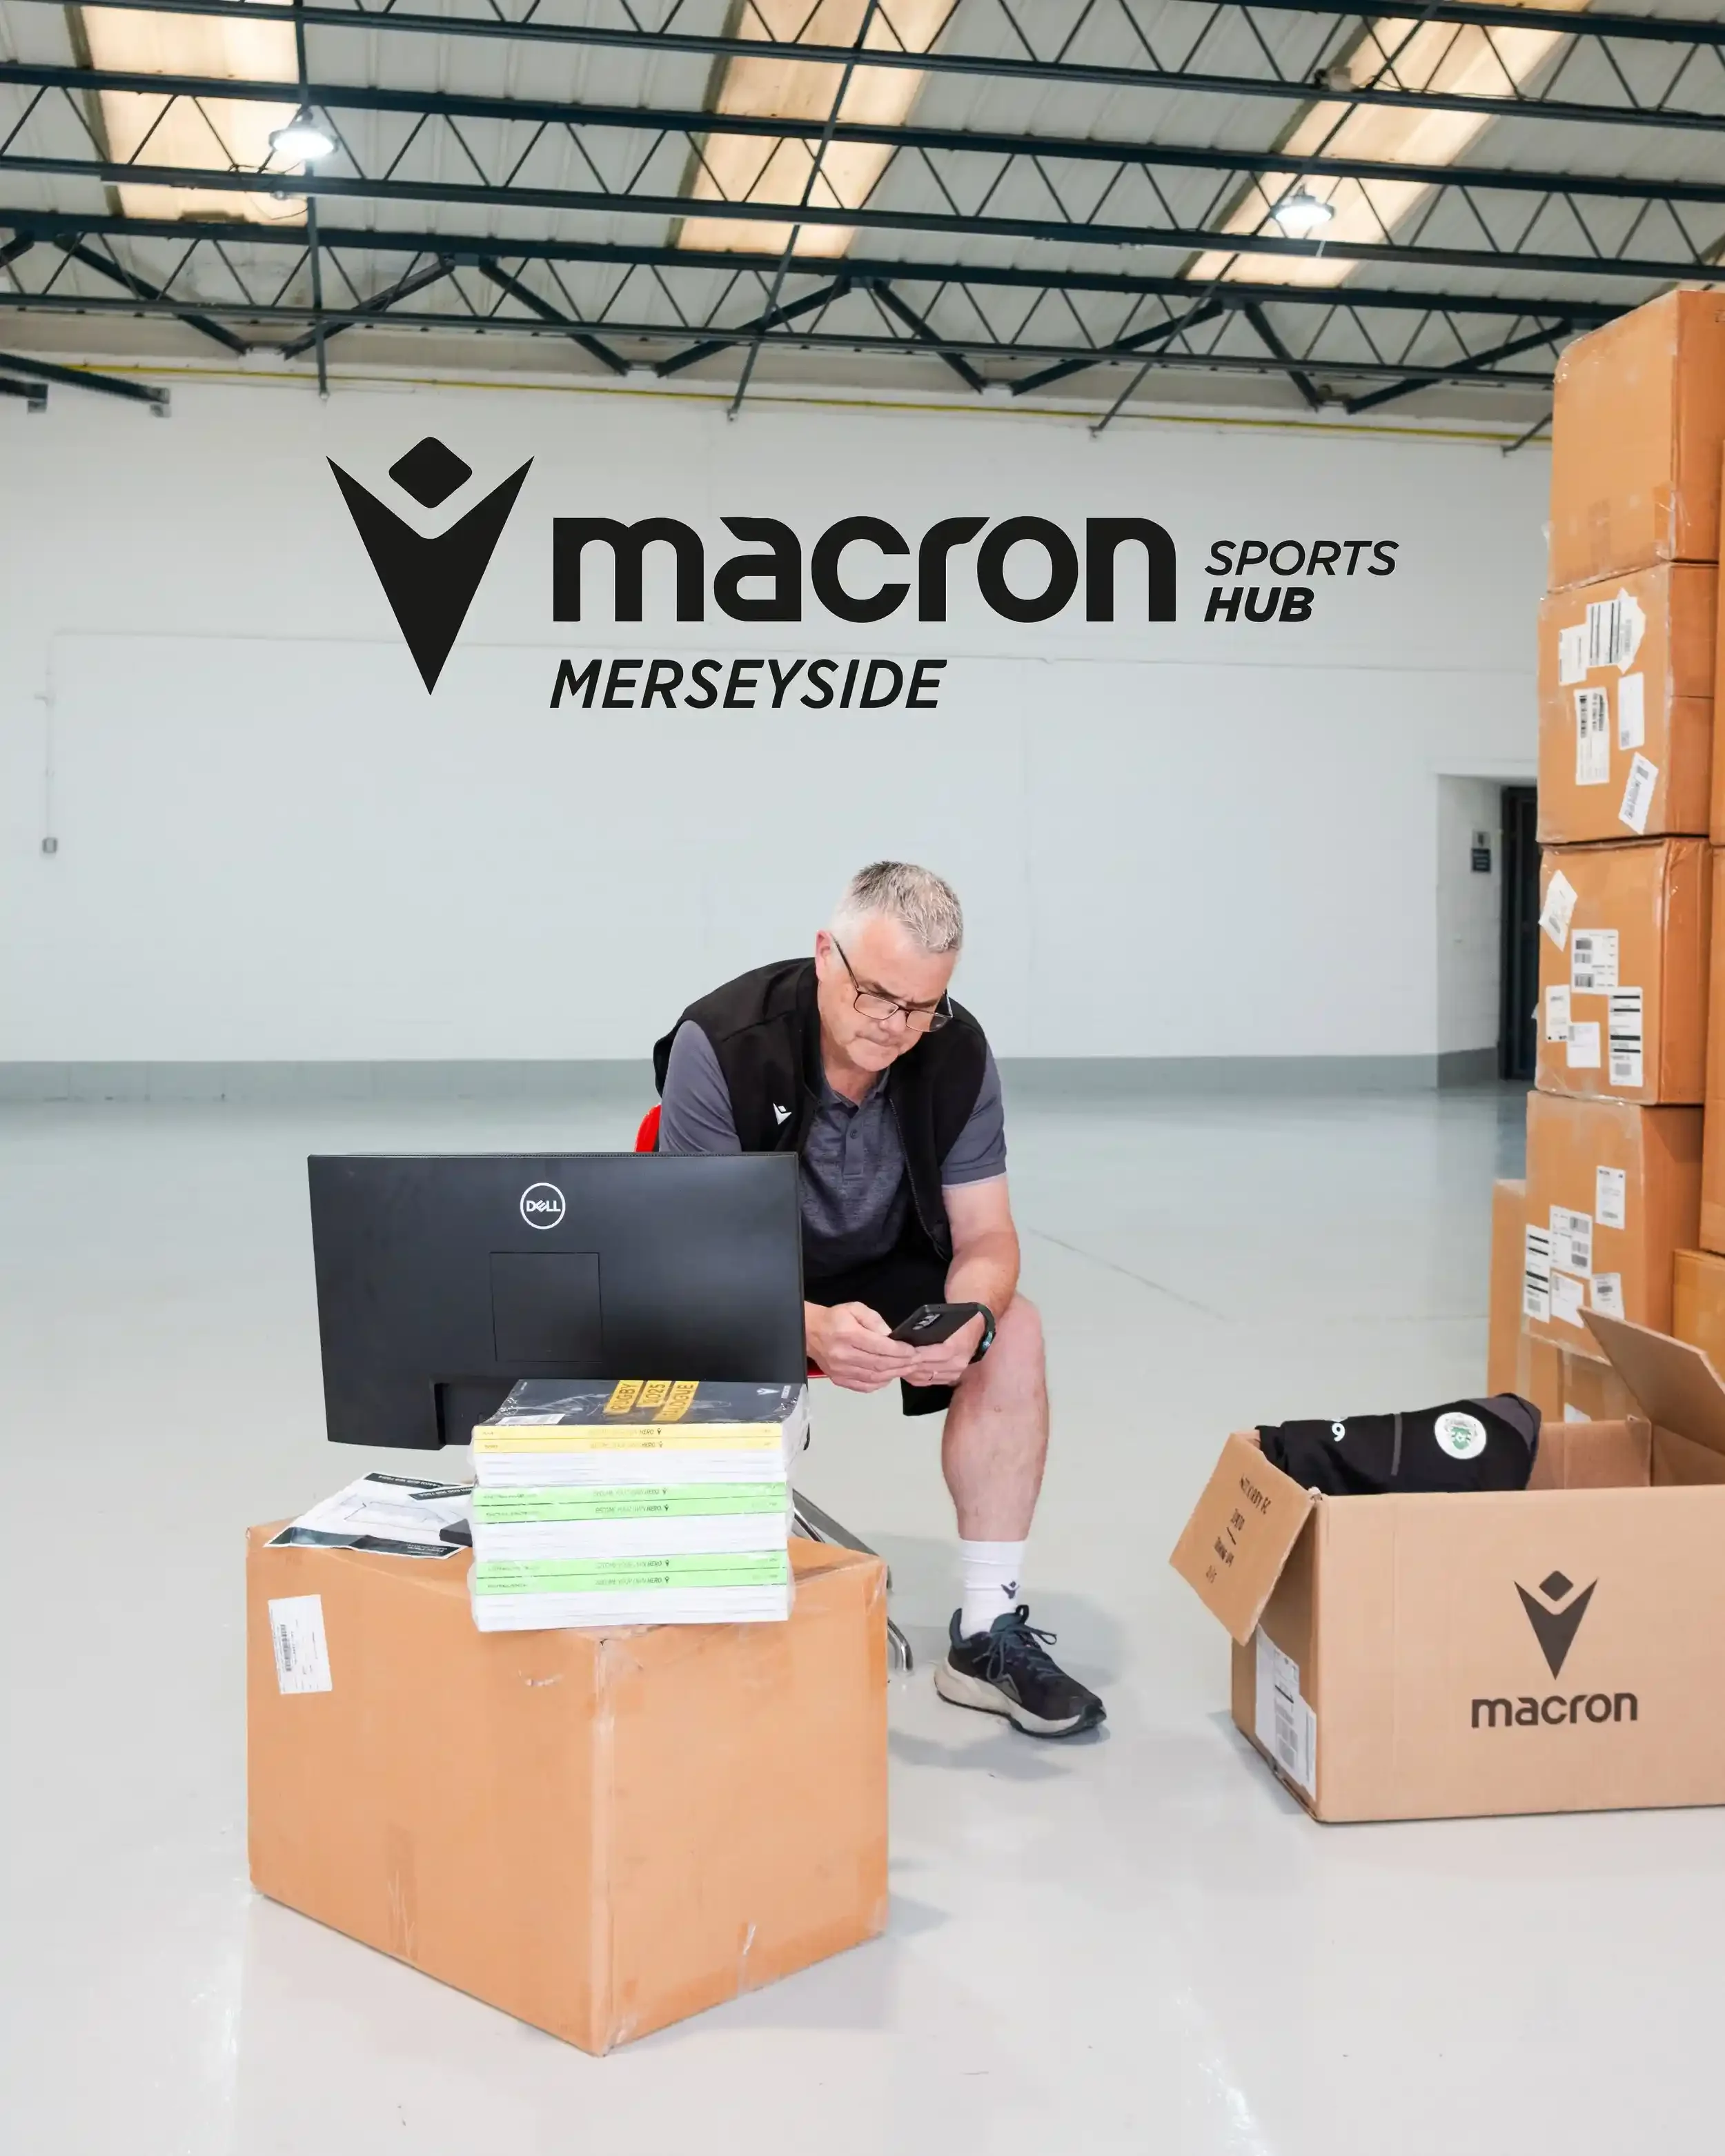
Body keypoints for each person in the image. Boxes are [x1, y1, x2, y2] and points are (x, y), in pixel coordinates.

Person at [653, 861, 1105, 1739]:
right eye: (877, 997)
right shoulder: (724, 1039)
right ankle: (715, 1619)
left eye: (922, 1006)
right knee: (693, 1339)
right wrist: (804, 1323)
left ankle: (984, 1630)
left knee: (1017, 1330)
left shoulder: (956, 1047)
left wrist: (970, 1317)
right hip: (740, 1269)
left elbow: (986, 1239)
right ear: (827, 954)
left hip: (888, 1260)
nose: (896, 1027)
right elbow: (685, 1257)